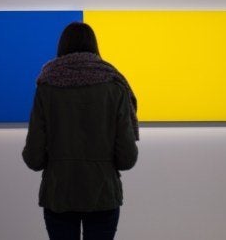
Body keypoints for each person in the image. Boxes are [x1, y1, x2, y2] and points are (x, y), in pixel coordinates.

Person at [22, 22, 139, 240]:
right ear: (94, 46)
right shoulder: (115, 87)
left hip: (59, 194)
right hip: (103, 193)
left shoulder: (46, 87)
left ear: (62, 47)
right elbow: (127, 159)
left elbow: (33, 158)